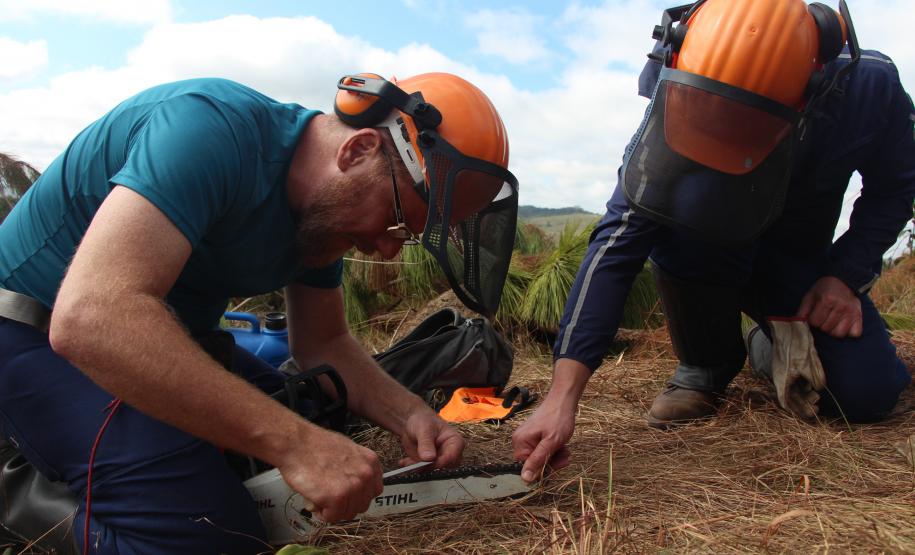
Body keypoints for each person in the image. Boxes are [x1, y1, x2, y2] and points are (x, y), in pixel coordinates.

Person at [0, 71, 518, 553]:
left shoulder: (321, 218)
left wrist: (411, 414)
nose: (386, 250)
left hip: (156, 336)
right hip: (36, 328)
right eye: (398, 220)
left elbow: (325, 344)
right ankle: (17, 495)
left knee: (315, 409)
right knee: (210, 533)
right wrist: (296, 447)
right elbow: (93, 316)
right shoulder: (207, 128)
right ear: (359, 149)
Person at [513, 0, 915, 483]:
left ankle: (764, 344)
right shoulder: (680, 74)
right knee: (671, 231)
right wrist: (561, 399)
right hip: (703, 254)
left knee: (867, 395)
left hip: (795, 265)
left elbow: (895, 189)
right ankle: (705, 363)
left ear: (812, 88)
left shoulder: (869, 87)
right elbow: (618, 242)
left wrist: (845, 276)